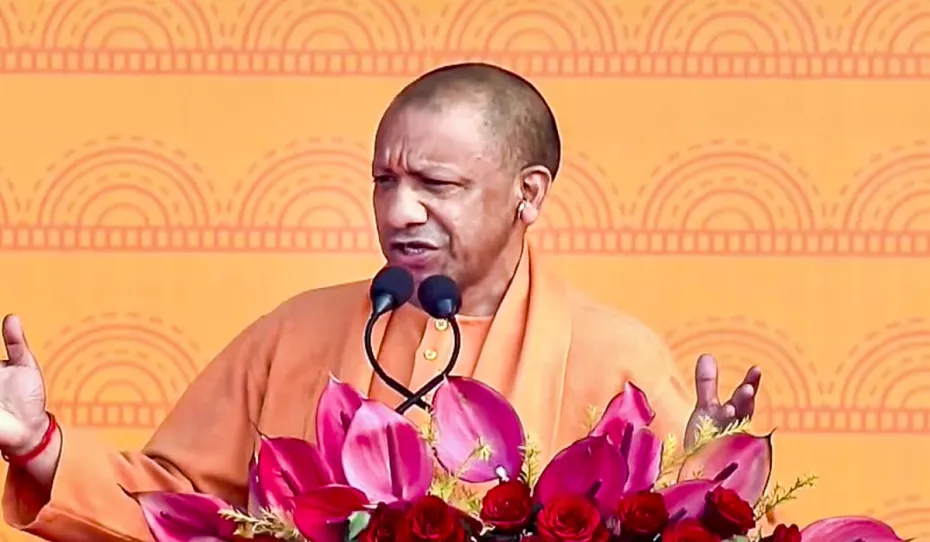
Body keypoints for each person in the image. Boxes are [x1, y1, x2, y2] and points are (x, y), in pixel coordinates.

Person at [0, 62, 762, 541]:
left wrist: (700, 469)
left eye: (436, 184)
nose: (399, 212)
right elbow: (179, 511)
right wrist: (37, 444)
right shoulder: (294, 333)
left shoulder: (616, 358)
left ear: (528, 195)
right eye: (383, 181)